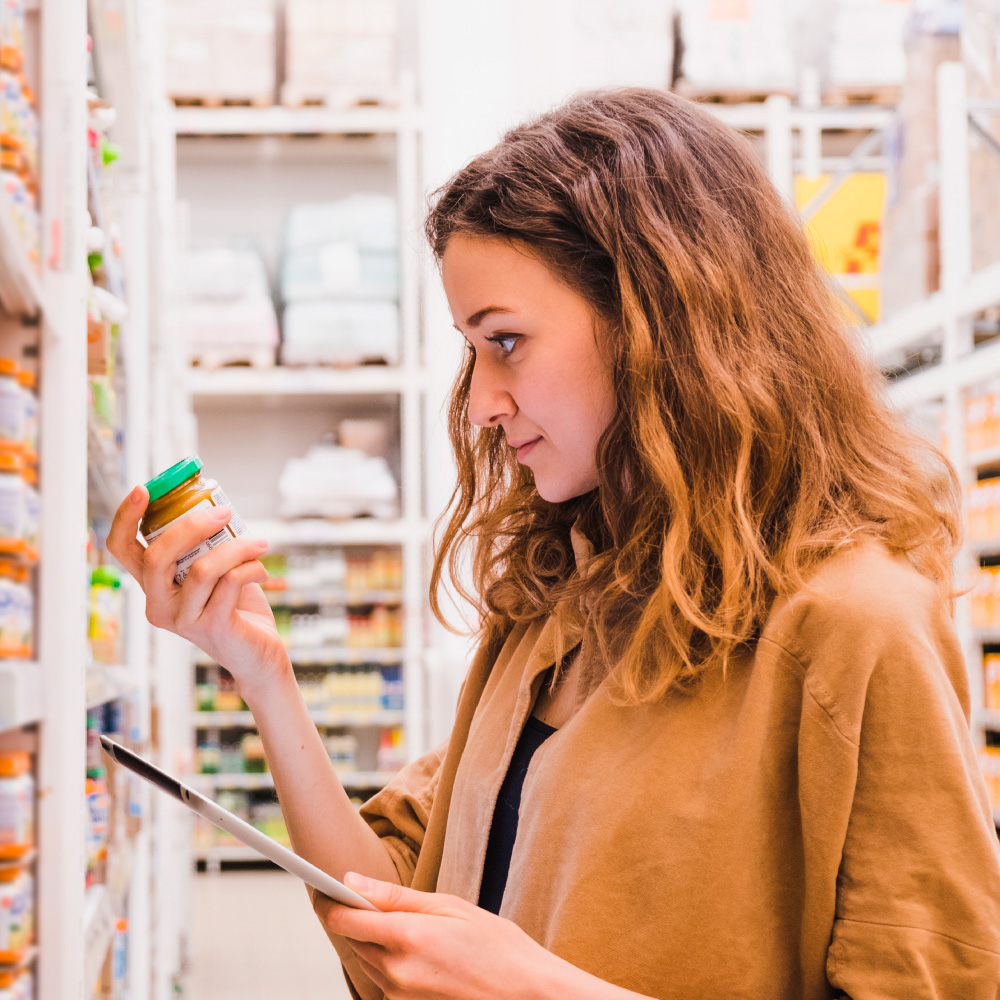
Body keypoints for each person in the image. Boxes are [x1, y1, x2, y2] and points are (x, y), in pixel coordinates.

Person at [109, 88, 1000, 1000]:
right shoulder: (555, 605)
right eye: (471, 350)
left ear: (662, 319)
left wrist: (536, 989)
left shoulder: (854, 628)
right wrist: (261, 674)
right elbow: (390, 920)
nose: (483, 403)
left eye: (506, 341)